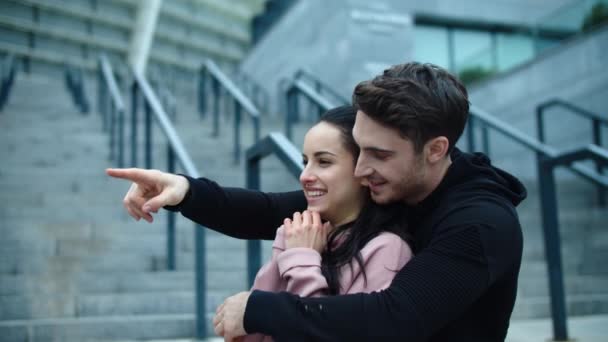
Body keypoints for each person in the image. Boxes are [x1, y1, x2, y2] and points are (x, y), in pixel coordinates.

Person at [107, 62, 526, 342]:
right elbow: (274, 209)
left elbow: (395, 317)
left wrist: (260, 309)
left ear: (435, 150)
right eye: (359, 149)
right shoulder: (394, 185)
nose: (360, 169)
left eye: (380, 155)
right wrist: (185, 191)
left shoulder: (481, 224)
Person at [242, 106, 412, 342]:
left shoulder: (387, 249)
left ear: (363, 169)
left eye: (323, 162)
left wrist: (300, 260)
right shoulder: (300, 235)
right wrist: (284, 250)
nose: (305, 176)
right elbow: (246, 334)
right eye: (305, 162)